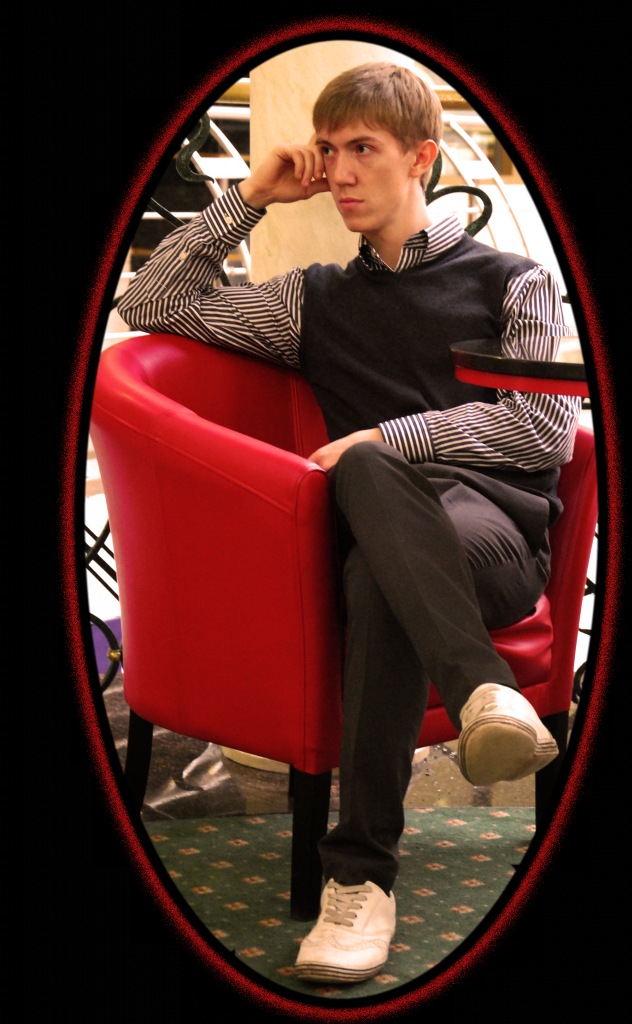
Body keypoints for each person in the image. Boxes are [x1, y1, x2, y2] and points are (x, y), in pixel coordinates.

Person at [117, 61, 581, 984]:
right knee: (374, 561)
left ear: (422, 157)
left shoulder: (515, 283)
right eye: (327, 151)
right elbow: (148, 304)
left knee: (369, 476)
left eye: (362, 149)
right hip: (379, 543)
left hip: (493, 534)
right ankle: (472, 710)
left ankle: (360, 880)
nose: (338, 172)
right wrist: (249, 196)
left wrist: (389, 437)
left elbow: (540, 430)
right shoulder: (313, 300)